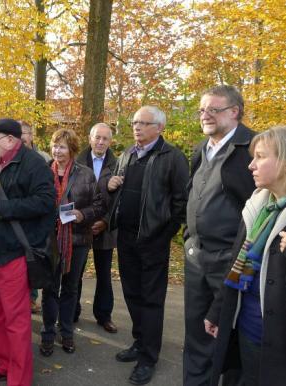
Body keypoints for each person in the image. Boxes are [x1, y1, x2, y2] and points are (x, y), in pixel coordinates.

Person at [108, 106, 188, 385]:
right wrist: (111, 185)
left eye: (144, 123)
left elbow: (181, 202)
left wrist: (165, 234)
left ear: (159, 128)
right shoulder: (127, 155)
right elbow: (117, 192)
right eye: (134, 122)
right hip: (126, 238)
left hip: (154, 241)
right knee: (131, 294)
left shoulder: (172, 157)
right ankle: (139, 342)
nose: (137, 127)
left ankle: (149, 357)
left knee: (152, 299)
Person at [183, 85, 256, 386]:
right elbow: (193, 194)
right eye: (202, 110)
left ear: (234, 111)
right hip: (196, 257)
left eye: (213, 109)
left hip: (230, 261)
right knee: (196, 335)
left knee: (230, 339)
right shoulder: (202, 148)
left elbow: (258, 209)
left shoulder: (251, 147)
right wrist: (189, 236)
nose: (205, 115)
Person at [0, 118, 56, 385]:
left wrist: (3, 209)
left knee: (16, 321)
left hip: (15, 254)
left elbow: (45, 203)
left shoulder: (35, 164)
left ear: (11, 140)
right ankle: (4, 366)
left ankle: (19, 379)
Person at [207, 126, 286, 386]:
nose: (251, 165)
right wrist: (220, 311)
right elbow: (236, 263)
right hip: (245, 331)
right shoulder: (258, 205)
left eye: (260, 157)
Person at [39, 128, 98, 356]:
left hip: (78, 239)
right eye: (54, 145)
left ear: (71, 149)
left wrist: (82, 214)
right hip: (49, 239)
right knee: (50, 288)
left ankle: (67, 333)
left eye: (62, 146)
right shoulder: (43, 172)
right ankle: (47, 334)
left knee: (71, 289)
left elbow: (99, 205)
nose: (57, 150)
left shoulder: (85, 174)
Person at [75, 122, 118, 333]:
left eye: (105, 139)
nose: (100, 142)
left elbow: (120, 199)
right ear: (90, 138)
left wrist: (106, 221)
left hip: (105, 228)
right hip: (80, 226)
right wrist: (84, 218)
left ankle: (104, 315)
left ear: (110, 141)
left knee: (104, 274)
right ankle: (72, 312)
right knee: (75, 272)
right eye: (97, 137)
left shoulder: (118, 164)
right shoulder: (77, 161)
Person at [19, 120, 50, 314]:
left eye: (25, 133)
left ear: (31, 135)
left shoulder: (44, 158)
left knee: (34, 260)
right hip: (16, 218)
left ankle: (32, 298)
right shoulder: (7, 157)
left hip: (36, 219)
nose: (22, 136)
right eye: (18, 132)